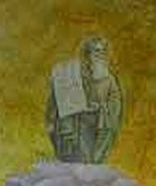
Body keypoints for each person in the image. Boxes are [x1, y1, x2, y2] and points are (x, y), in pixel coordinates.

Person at [46, 36, 125, 164]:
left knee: (91, 162)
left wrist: (103, 108)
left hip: (98, 125)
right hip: (77, 125)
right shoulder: (72, 74)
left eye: (102, 51)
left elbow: (116, 103)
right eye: (96, 51)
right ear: (88, 54)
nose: (100, 55)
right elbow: (58, 97)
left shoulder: (110, 79)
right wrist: (52, 119)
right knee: (76, 162)